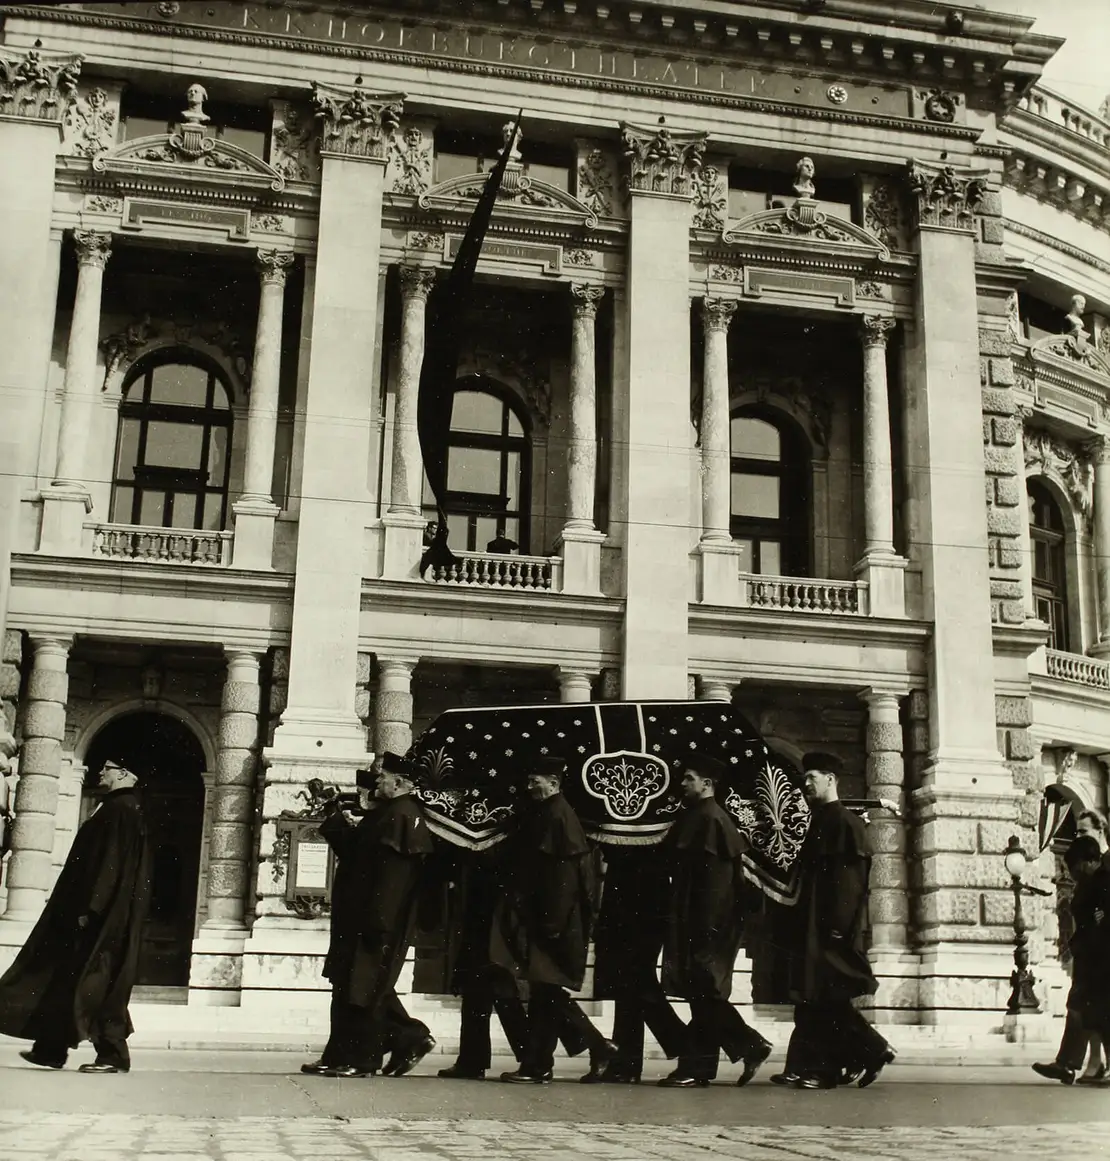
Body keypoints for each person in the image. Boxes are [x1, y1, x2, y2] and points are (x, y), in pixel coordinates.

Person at [0, 758, 151, 1073]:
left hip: (102, 918)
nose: (101, 772)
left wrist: (92, 909)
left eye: (107, 769)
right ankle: (50, 1048)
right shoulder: (114, 806)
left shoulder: (122, 809)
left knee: (97, 984)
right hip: (89, 915)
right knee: (68, 978)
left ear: (124, 773)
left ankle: (112, 1055)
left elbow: (111, 864)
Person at [302, 752, 436, 1079]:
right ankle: (341, 1054)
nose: (377, 781)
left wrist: (380, 921)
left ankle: (363, 1059)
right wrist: (333, 816)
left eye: (382, 777)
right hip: (358, 917)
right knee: (348, 985)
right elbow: (356, 856)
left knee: (364, 988)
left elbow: (394, 881)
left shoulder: (403, 815)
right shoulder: (389, 813)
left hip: (377, 921)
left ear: (400, 782)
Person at [773, 751, 894, 1090]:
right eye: (804, 778)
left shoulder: (843, 823)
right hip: (818, 927)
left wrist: (838, 929)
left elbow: (849, 886)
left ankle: (832, 1068)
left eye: (813, 777)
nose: (806, 783)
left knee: (824, 1001)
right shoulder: (823, 820)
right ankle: (867, 1053)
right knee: (818, 1000)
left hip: (832, 930)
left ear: (831, 779)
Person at [492, 756, 615, 1084]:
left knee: (546, 995)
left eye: (536, 781)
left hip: (553, 924)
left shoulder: (558, 816)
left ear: (554, 783)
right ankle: (561, 1057)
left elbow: (562, 882)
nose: (530, 786)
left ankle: (551, 1061)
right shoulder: (551, 814)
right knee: (546, 996)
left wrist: (549, 927)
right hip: (551, 923)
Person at [657, 751, 771, 1088]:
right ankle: (703, 1067)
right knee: (701, 996)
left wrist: (705, 934)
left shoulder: (710, 820)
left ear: (707, 784)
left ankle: (746, 1046)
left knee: (705, 996)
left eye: (689, 778)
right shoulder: (703, 817)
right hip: (701, 925)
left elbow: (716, 889)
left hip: (708, 927)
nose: (683, 784)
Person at [584, 844, 688, 1084]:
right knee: (631, 986)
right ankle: (626, 1065)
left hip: (636, 905)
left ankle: (681, 1044)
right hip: (639, 902)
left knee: (635, 983)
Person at [1033, 811, 1110, 1086]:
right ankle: (1086, 1064)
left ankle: (1082, 1064)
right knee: (1084, 1006)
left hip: (1100, 952)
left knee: (1091, 1006)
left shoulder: (1104, 868)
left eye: (1085, 831)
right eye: (1076, 831)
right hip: (1088, 951)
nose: (1078, 836)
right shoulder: (1088, 870)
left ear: (1101, 832)